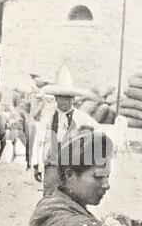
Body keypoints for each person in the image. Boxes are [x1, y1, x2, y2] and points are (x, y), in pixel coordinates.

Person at [32, 65, 99, 196]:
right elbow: (38, 142)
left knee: (70, 197)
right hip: (52, 166)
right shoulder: (48, 117)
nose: (65, 102)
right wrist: (36, 164)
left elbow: (98, 131)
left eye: (68, 98)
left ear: (73, 99)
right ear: (56, 99)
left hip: (71, 168)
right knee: (49, 196)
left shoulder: (82, 118)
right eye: (62, 98)